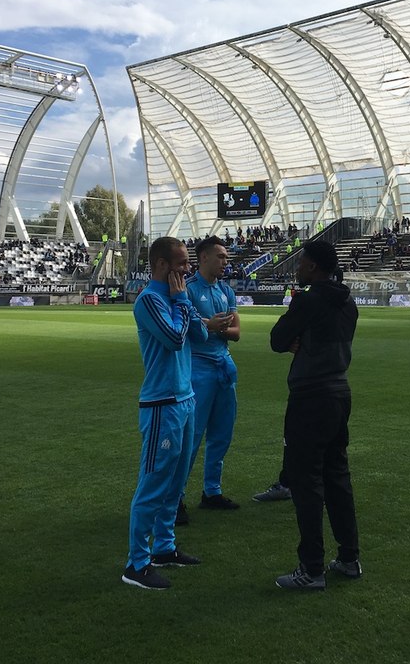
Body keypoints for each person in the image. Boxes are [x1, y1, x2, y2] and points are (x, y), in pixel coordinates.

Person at [270, 240, 361, 590]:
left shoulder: (307, 300)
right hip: (339, 393)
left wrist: (297, 337)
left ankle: (311, 569)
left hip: (310, 396)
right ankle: (349, 558)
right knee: (338, 475)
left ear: (313, 268)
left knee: (306, 483)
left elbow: (278, 339)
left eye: (302, 263)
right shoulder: (348, 301)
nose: (298, 268)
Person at [122, 237, 208, 591]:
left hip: (185, 398)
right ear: (160, 265)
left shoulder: (175, 298)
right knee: (154, 483)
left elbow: (199, 334)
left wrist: (187, 305)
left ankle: (165, 547)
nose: (187, 269)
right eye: (182, 263)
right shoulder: (149, 300)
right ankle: (137, 563)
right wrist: (182, 301)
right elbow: (175, 338)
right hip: (162, 404)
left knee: (175, 482)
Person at [182, 236, 241, 516]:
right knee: (191, 436)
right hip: (199, 369)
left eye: (227, 258)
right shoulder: (189, 289)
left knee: (221, 434)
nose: (225, 263)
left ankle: (212, 491)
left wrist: (212, 328)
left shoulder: (226, 291)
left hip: (224, 368)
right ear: (203, 258)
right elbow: (188, 327)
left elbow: (236, 333)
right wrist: (212, 326)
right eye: (220, 257)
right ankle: (176, 497)